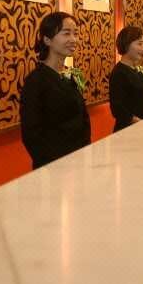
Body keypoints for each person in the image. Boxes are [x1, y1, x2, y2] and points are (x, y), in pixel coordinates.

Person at [20, 12, 91, 169]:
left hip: (79, 162)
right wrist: (58, 166)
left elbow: (82, 119)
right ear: (47, 40)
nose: (73, 39)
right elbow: (31, 135)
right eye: (66, 33)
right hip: (54, 168)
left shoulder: (69, 75)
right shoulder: (36, 81)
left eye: (75, 33)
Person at [109, 26, 143, 132]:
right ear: (126, 44)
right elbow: (118, 109)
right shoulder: (119, 73)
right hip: (127, 131)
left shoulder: (137, 69)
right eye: (139, 44)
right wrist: (141, 123)